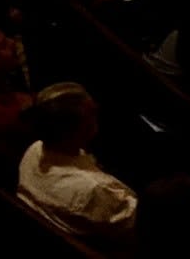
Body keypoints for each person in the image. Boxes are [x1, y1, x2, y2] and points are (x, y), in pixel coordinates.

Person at [17, 82, 141, 247]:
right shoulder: (94, 189)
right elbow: (143, 224)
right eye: (92, 112)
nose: (97, 108)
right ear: (74, 130)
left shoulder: (35, 149)